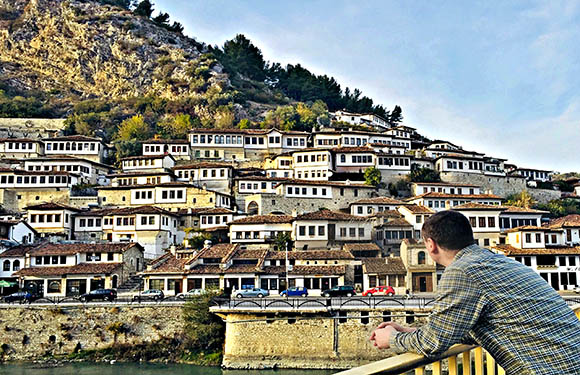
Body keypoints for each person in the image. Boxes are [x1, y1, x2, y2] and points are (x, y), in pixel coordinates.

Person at [370, 210, 580, 375]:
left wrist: (393, 339)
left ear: (430, 245)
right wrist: (409, 331)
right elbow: (480, 325)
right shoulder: (498, 261)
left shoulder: (462, 270)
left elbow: (432, 343)